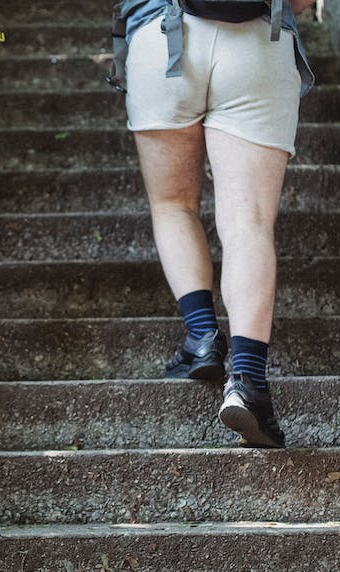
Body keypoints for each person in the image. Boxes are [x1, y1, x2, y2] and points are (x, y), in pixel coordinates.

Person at [120, 0, 315, 447]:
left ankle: (202, 334)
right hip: (257, 44)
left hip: (162, 41)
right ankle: (247, 381)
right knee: (249, 223)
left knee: (173, 204)